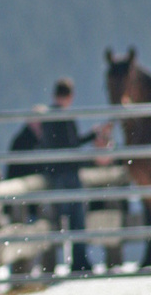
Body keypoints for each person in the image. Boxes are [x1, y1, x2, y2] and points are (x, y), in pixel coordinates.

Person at [40, 78, 111, 272]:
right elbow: (72, 144)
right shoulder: (63, 116)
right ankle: (79, 259)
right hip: (68, 173)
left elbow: (66, 144)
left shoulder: (49, 117)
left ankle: (74, 259)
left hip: (57, 173)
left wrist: (91, 135)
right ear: (70, 96)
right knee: (77, 218)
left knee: (65, 219)